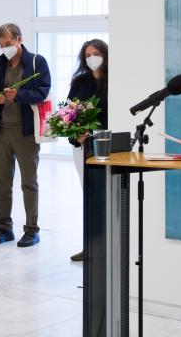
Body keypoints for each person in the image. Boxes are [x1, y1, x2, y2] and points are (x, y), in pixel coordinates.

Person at [0, 23, 51, 248]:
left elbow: (43, 91)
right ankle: (4, 228)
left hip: (26, 132)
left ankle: (32, 230)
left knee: (28, 183)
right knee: (2, 182)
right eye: (1, 45)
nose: (5, 48)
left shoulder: (36, 62)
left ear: (19, 39)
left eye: (8, 43)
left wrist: (18, 96)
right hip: (2, 130)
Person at [66, 39, 108, 262]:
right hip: (82, 147)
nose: (92, 58)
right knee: (90, 197)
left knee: (107, 197)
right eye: (88, 54)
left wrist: (95, 132)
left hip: (106, 146)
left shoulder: (114, 80)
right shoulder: (80, 81)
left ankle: (109, 245)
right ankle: (90, 246)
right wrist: (77, 132)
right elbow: (68, 112)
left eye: (96, 53)